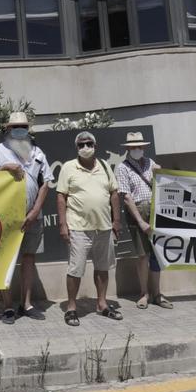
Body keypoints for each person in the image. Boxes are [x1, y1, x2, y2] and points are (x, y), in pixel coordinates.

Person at [0, 112, 54, 324]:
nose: (20, 129)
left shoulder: (38, 152)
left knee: (29, 258)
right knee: (5, 261)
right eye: (16, 127)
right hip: (4, 218)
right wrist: (4, 168)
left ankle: (27, 303)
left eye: (23, 126)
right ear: (9, 129)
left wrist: (34, 212)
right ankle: (7, 307)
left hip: (32, 216)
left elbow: (46, 183)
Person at [56, 131, 122, 326]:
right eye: (81, 144)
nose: (86, 147)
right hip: (78, 227)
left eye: (89, 143)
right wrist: (62, 224)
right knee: (75, 269)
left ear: (95, 145)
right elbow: (61, 196)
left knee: (103, 267)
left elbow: (114, 194)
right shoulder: (68, 167)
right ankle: (71, 308)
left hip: (104, 226)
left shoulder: (104, 166)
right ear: (76, 148)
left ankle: (102, 304)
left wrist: (116, 221)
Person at [116, 132, 172, 310]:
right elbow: (126, 197)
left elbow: (165, 183)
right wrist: (140, 221)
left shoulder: (151, 163)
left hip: (156, 209)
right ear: (128, 149)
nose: (137, 149)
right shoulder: (122, 167)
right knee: (142, 255)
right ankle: (144, 293)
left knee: (156, 254)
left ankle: (157, 293)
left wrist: (160, 172)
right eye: (133, 147)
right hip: (138, 210)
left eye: (139, 146)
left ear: (144, 147)